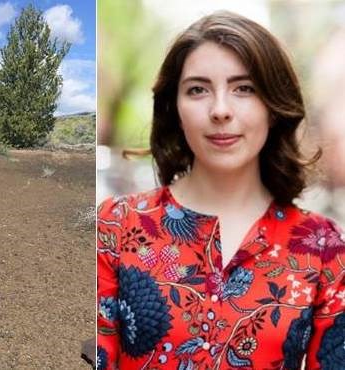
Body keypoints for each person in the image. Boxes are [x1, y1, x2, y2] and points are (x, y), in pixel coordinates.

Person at [97, 11, 345, 369]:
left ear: (273, 106)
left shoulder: (323, 247)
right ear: (175, 108)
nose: (220, 110)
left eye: (244, 88)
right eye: (197, 89)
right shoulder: (117, 225)